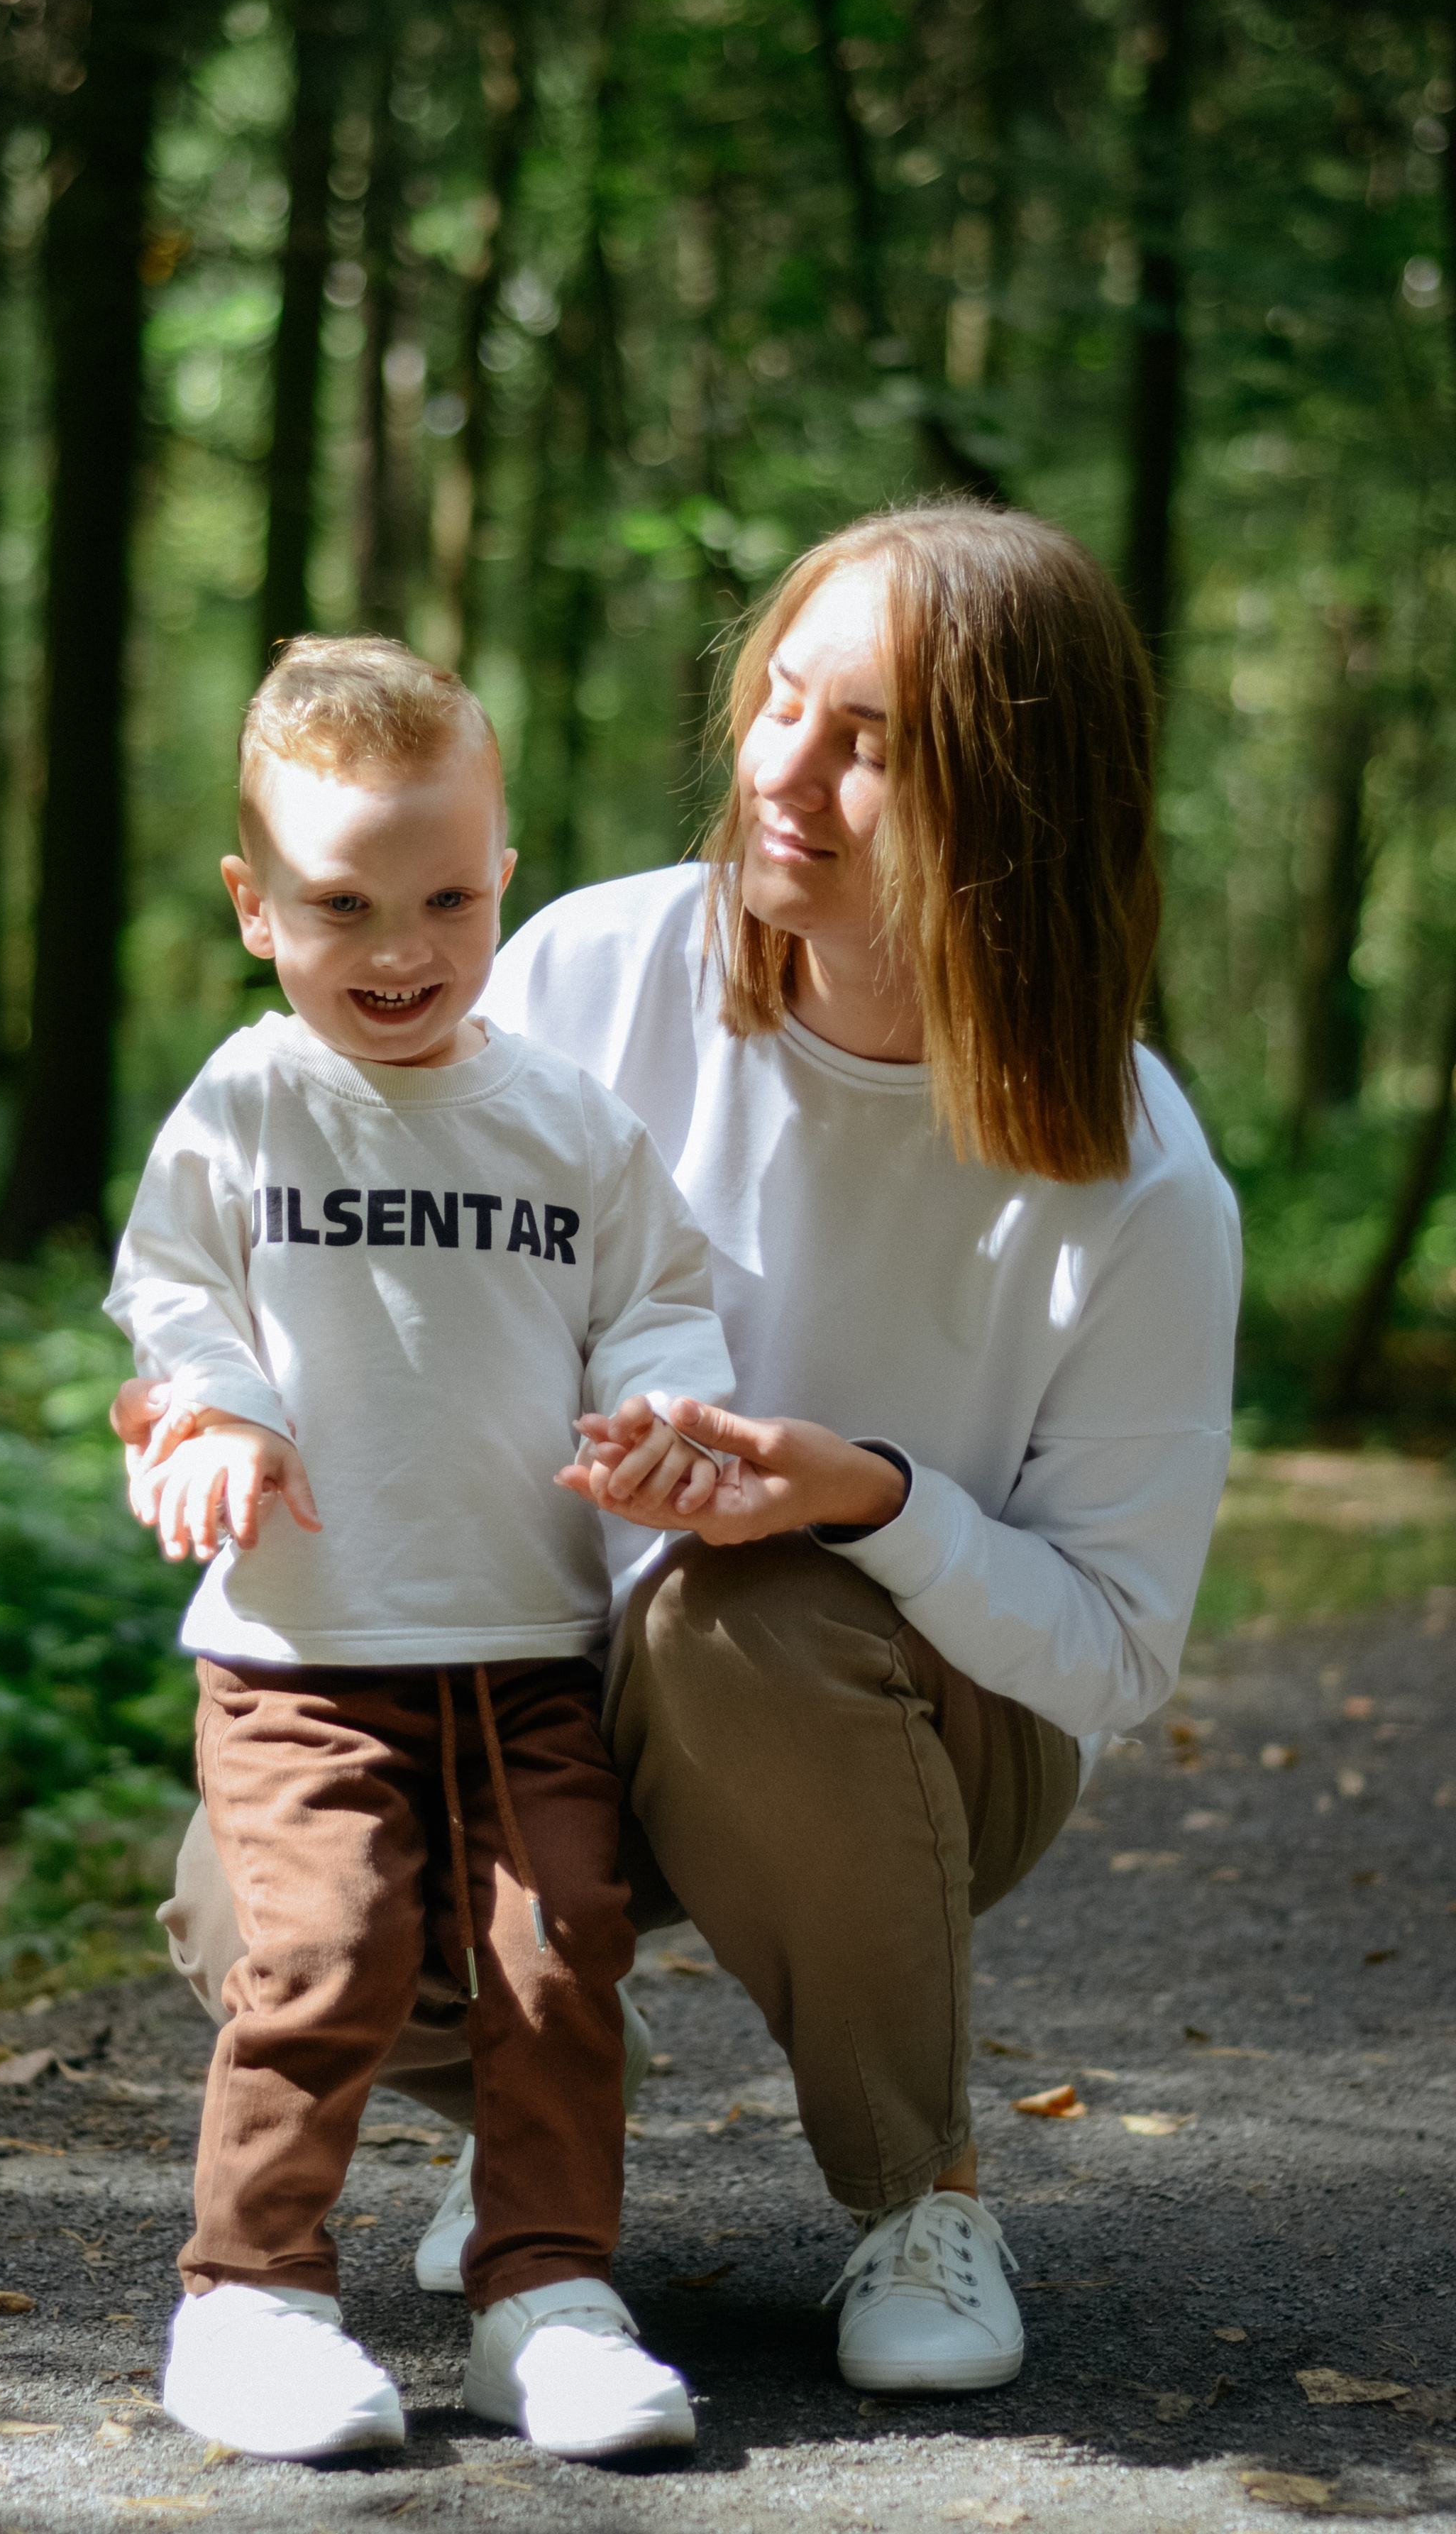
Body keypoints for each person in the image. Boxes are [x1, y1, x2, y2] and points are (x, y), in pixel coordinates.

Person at [126, 500, 1241, 2403]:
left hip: (890, 1730)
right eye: (779, 699)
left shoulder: (1133, 1180)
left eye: (871, 740)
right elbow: (287, 1251)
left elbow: (1118, 1654)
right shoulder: (586, 968)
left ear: (1016, 793)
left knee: (752, 1614)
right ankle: (541, 2141)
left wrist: (869, 1497)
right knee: (249, 1888)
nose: (781, 769)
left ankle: (920, 2189)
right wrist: (206, 1392)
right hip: (528, 1674)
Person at [106, 636, 735, 2464]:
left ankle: (543, 2295)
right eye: (342, 902)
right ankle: (254, 2296)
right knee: (326, 1951)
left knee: (561, 1953)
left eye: (448, 894)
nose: (401, 946)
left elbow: (659, 1306)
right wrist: (219, 1411)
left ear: (505, 878)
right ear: (253, 905)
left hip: (530, 1640)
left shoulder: (565, 1121)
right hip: (302, 1656)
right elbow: (173, 1289)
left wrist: (663, 1413)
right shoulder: (246, 1103)